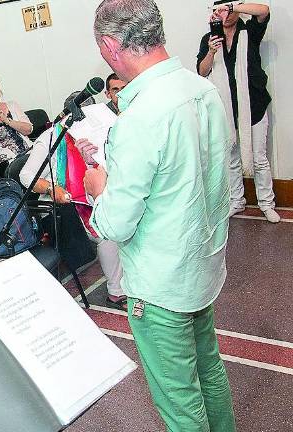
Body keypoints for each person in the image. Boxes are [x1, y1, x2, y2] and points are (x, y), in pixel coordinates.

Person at [86, 1, 236, 430]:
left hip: (160, 283)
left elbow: (113, 224)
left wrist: (101, 189)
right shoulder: (202, 90)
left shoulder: (142, 116)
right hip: (202, 265)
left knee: (180, 404)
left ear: (112, 47)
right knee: (210, 374)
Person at [19, 91, 126, 309]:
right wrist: (52, 189)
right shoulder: (51, 136)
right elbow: (26, 176)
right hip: (62, 205)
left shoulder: (101, 131)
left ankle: (135, 281)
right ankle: (117, 292)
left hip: (92, 193)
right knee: (107, 230)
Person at [197, 2, 277, 223]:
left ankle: (266, 203)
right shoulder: (209, 38)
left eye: (226, 9)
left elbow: (264, 11)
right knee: (231, 157)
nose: (221, 14)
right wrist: (212, 51)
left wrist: (234, 5)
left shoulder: (249, 31)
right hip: (225, 106)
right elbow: (202, 71)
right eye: (218, 10)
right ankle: (236, 200)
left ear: (235, 9)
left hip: (254, 105)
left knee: (260, 158)